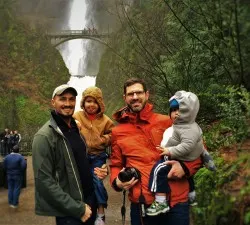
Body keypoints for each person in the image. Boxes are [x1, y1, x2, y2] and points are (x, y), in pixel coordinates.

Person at [109, 78, 202, 225]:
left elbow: (199, 147)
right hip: (141, 204)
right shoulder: (117, 132)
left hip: (175, 202)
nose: (134, 97)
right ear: (125, 98)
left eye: (138, 92)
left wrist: (185, 167)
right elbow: (115, 163)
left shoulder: (167, 122)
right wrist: (117, 182)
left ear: (147, 95)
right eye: (130, 94)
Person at [32, 84, 108, 225]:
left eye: (71, 99)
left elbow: (85, 161)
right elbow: (44, 182)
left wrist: (103, 170)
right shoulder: (44, 136)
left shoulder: (76, 129)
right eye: (62, 99)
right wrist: (77, 209)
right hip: (71, 211)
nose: (68, 104)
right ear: (53, 101)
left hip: (90, 203)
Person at [146, 91, 216, 216]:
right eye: (173, 111)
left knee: (158, 170)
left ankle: (161, 201)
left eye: (180, 110)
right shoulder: (172, 128)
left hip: (175, 164)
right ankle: (192, 195)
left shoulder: (187, 128)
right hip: (141, 200)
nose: (177, 113)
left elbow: (198, 146)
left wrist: (185, 166)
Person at [73, 87, 114, 225]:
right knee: (80, 182)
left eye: (95, 102)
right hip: (82, 156)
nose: (91, 104)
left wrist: (102, 140)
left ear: (100, 104)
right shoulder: (76, 116)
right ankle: (80, 210)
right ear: (83, 102)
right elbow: (67, 128)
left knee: (97, 181)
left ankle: (101, 213)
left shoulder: (106, 120)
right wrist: (75, 126)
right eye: (88, 101)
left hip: (98, 156)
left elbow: (112, 135)